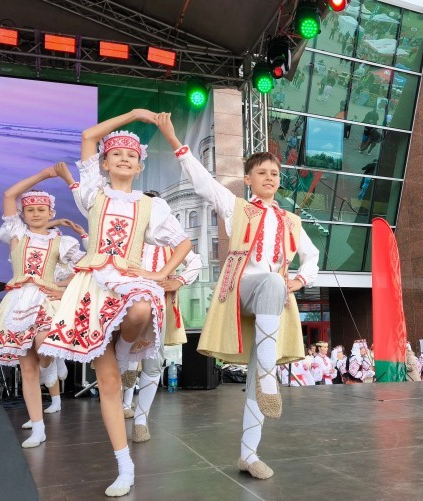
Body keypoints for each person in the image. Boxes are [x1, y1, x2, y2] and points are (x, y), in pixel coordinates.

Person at [38, 110, 191, 497]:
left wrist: (160, 274)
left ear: (140, 166)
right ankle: (125, 466)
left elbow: (185, 243)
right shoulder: (93, 194)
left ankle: (125, 349)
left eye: (132, 156)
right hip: (91, 285)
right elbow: (88, 135)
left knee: (141, 307)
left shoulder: (151, 206)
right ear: (104, 164)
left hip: (129, 279)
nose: (124, 159)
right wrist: (137, 115)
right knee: (107, 383)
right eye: (116, 155)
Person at [159, 113, 319, 480]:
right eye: (261, 173)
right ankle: (267, 377)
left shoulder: (292, 221)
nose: (269, 178)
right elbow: (201, 181)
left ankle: (249, 454)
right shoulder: (237, 207)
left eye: (274, 173)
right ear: (248, 180)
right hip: (240, 291)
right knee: (272, 284)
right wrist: (172, 137)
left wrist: (300, 279)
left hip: (273, 299)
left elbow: (311, 257)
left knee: (275, 291)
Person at [0, 165, 85, 449]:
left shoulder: (63, 242)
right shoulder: (15, 234)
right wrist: (44, 175)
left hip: (47, 301)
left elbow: (82, 271)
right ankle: (38, 427)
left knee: (44, 343)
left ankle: (50, 365)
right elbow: (9, 194)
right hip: (17, 301)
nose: (36, 214)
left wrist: (60, 289)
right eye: (30, 210)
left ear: (51, 213)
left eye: (42, 210)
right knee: (26, 367)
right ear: (23, 215)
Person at [121, 224, 202, 442]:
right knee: (123, 354)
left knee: (153, 360)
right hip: (121, 300)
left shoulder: (169, 242)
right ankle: (125, 404)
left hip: (157, 301)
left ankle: (140, 420)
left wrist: (178, 281)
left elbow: (195, 261)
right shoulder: (124, 235)